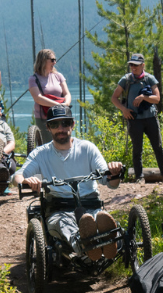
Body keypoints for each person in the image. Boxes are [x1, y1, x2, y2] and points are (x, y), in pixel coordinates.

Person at [13, 105, 123, 261]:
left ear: (72, 124)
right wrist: (26, 180)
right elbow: (17, 176)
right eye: (54, 124)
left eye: (65, 123)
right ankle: (86, 247)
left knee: (96, 218)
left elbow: (110, 182)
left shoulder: (88, 149)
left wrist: (114, 172)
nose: (60, 128)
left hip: (91, 204)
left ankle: (105, 243)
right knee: (65, 224)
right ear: (48, 128)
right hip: (58, 209)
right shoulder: (41, 154)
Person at [110, 53, 163, 185]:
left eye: (136, 65)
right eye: (131, 65)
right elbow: (114, 98)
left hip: (150, 118)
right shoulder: (126, 80)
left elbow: (157, 98)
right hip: (134, 119)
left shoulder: (150, 79)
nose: (133, 67)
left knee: (158, 147)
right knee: (137, 149)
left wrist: (143, 97)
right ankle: (139, 177)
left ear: (143, 65)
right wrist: (124, 110)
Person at [28, 49, 71, 144]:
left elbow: (67, 93)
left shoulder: (58, 76)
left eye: (55, 60)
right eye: (52, 60)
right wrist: (58, 105)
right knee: (47, 144)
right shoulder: (33, 79)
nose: (54, 62)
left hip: (61, 115)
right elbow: (38, 98)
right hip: (44, 118)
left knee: (63, 142)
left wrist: (66, 104)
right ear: (43, 60)